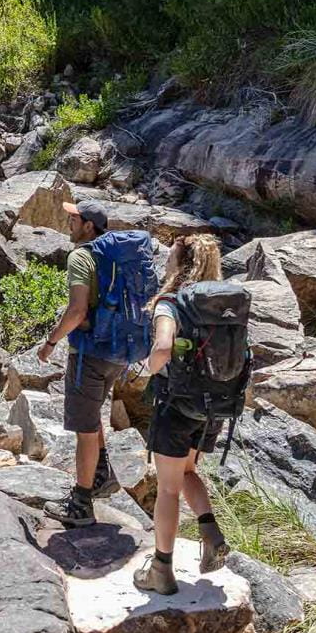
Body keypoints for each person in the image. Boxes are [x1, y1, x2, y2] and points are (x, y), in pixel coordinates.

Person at [38, 201, 155, 527]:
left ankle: (81, 505)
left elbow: (76, 311)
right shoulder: (116, 257)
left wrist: (50, 342)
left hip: (90, 351)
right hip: (120, 352)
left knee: (85, 428)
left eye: (74, 219)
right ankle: (101, 474)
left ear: (89, 226)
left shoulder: (81, 256)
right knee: (94, 416)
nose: (69, 222)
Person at [130, 235, 231, 595]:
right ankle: (210, 531)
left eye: (171, 258)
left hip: (177, 406)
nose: (166, 264)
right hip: (214, 406)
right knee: (188, 471)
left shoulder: (171, 302)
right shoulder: (222, 303)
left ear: (182, 264)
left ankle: (161, 569)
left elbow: (162, 346)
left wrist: (150, 367)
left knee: (168, 488)